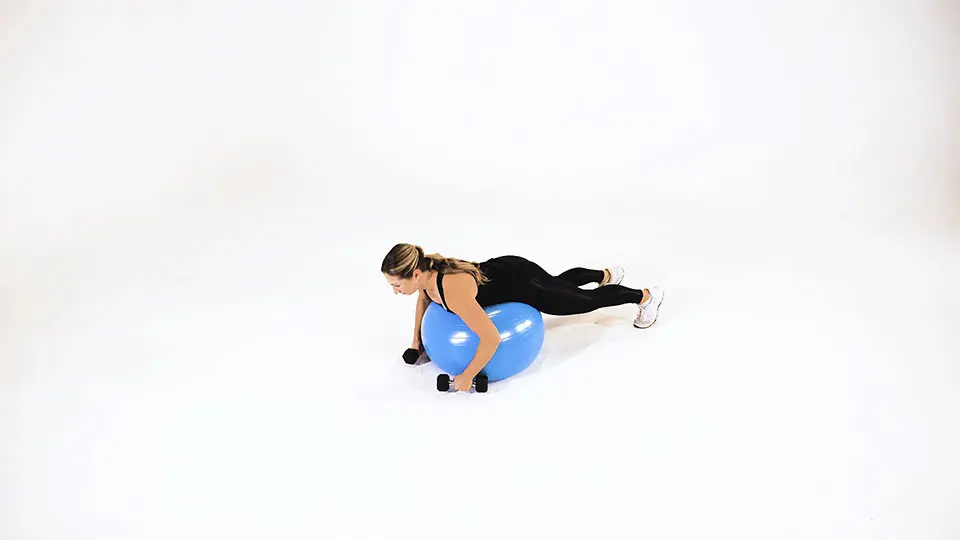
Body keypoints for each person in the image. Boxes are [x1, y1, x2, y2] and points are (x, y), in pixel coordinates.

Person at [381, 243, 664, 391]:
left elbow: (491, 337)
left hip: (521, 281)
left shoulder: (451, 290)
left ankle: (645, 296)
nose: (395, 292)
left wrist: (467, 376)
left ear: (415, 274)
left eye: (396, 285)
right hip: (505, 271)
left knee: (581, 302)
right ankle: (606, 275)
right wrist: (416, 343)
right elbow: (422, 299)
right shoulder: (427, 280)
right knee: (559, 284)